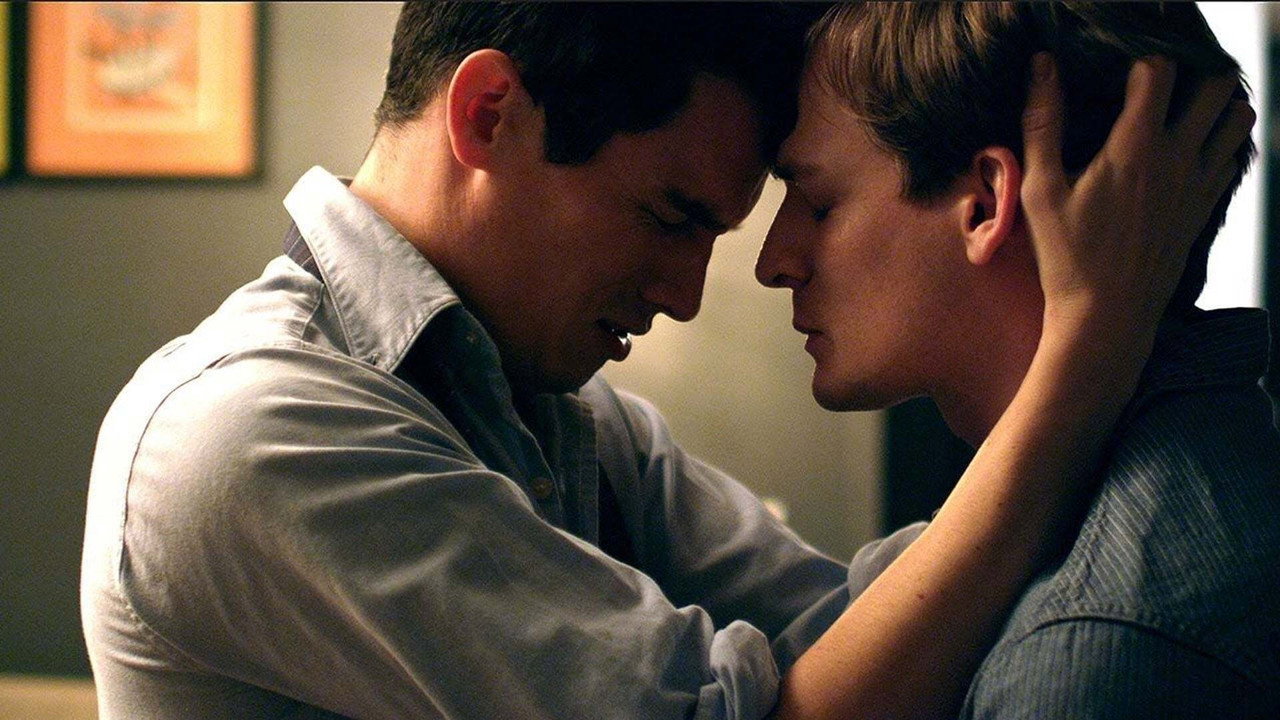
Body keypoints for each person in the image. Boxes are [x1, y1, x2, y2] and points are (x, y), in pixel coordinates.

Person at [81, 4, 1252, 719]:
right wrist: (1082, 361)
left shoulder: (577, 425)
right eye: (667, 216)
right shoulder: (251, 435)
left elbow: (857, 630)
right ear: (488, 114)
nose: (687, 294)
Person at [758, 3, 1277, 717]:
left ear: (985, 204)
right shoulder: (1221, 458)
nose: (773, 262)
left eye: (818, 204)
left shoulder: (1084, 656)